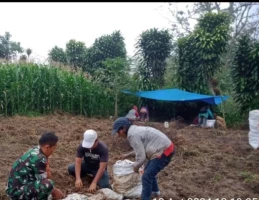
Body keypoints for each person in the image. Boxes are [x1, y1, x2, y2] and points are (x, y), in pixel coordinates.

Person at [112, 117, 175, 200]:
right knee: (149, 173)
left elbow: (141, 157)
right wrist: (127, 155)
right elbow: (140, 150)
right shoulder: (133, 131)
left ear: (123, 128)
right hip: (163, 148)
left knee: (146, 176)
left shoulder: (132, 135)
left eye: (118, 131)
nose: (118, 134)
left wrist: (136, 167)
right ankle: (155, 193)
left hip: (164, 151)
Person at [6, 131, 65, 200]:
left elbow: (46, 172)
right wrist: (55, 191)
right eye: (53, 148)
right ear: (47, 147)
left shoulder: (37, 149)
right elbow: (45, 181)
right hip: (17, 192)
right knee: (47, 185)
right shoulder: (39, 159)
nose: (53, 151)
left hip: (16, 187)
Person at [67, 129, 110, 193]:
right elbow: (78, 162)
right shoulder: (81, 146)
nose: (89, 147)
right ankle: (88, 176)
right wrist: (78, 178)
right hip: (87, 165)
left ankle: (95, 177)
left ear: (96, 141)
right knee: (71, 168)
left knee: (105, 185)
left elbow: (102, 168)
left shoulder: (103, 149)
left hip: (98, 168)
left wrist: (94, 183)